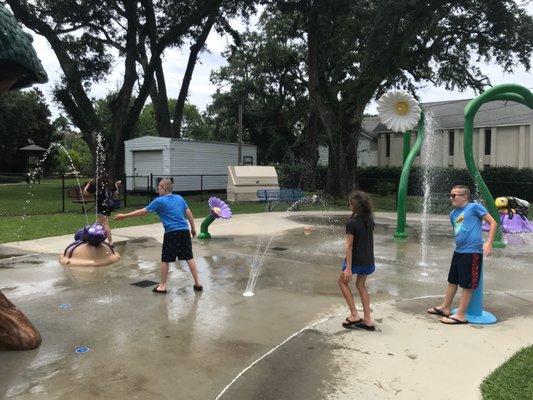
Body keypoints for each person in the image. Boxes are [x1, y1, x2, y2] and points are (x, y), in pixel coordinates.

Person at [114, 179, 202, 294]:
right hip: (184, 231)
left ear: (164, 188)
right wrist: (193, 228)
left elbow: (143, 211)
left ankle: (162, 286)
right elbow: (188, 212)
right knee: (189, 257)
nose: (157, 190)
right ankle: (198, 283)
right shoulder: (179, 198)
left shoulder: (159, 201)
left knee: (165, 259)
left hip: (171, 233)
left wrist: (124, 216)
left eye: (159, 188)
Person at [428, 185, 497, 325]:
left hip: (472, 252)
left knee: (468, 283)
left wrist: (489, 242)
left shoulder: (474, 207)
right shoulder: (453, 214)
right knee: (452, 280)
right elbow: (459, 231)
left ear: (465, 196)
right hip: (459, 251)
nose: (451, 198)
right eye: (450, 195)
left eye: (454, 195)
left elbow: (493, 222)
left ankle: (460, 314)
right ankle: (445, 307)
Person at [338, 190, 376, 331]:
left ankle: (354, 314)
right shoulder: (369, 219)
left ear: (355, 205)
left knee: (342, 282)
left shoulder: (352, 222)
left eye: (350, 203)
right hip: (368, 259)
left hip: (355, 261)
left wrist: (348, 268)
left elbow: (349, 245)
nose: (349, 205)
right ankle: (368, 319)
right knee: (361, 285)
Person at [83, 173, 121, 247]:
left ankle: (111, 242)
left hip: (101, 206)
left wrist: (88, 184)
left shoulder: (95, 185)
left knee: (104, 223)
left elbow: (85, 193)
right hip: (109, 205)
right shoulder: (110, 184)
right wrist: (116, 185)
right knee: (99, 223)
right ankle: (93, 237)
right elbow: (116, 194)